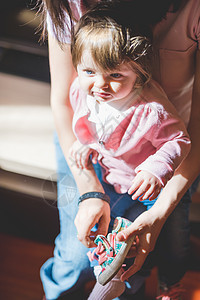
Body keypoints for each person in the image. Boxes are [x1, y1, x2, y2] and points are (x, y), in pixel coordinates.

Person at [39, 0, 200, 299]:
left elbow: (181, 140)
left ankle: (162, 285)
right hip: (102, 163)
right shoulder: (83, 89)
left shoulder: (153, 110)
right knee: (75, 255)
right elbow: (69, 108)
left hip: (154, 174)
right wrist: (87, 172)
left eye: (115, 75)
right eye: (88, 72)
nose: (100, 85)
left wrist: (160, 193)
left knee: (134, 254)